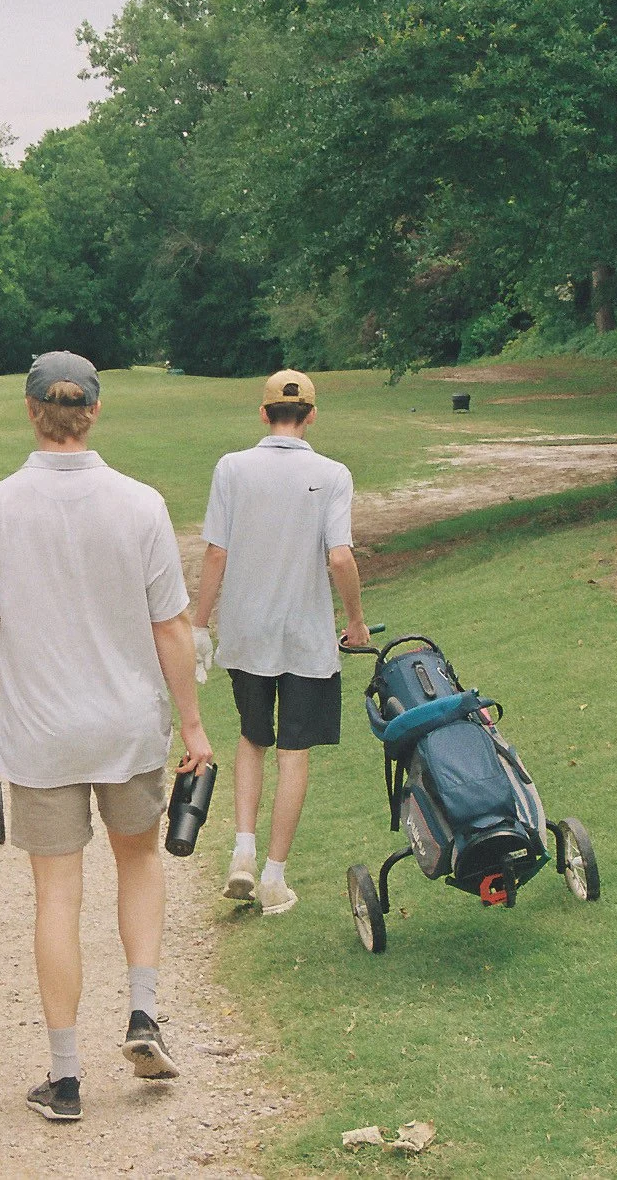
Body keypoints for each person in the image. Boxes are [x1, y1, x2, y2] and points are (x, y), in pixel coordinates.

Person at [0, 351, 213, 1124]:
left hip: (44, 732)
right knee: (139, 861)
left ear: (31, 410)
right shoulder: (140, 504)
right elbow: (171, 626)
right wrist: (191, 722)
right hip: (127, 724)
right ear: (94, 410)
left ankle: (64, 1079)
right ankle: (142, 1012)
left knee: (56, 893)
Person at [191, 370, 369, 917]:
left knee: (251, 739)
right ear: (311, 415)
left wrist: (200, 624)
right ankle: (274, 877)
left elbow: (216, 554)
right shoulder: (333, 474)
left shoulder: (232, 468)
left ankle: (241, 852)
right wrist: (357, 622)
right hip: (306, 637)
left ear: (263, 414)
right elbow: (340, 556)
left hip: (247, 632)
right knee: (294, 753)